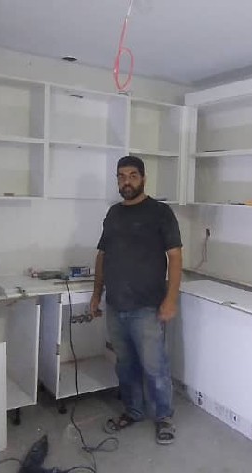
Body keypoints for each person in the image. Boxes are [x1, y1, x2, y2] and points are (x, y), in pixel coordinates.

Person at [90, 155, 182, 445]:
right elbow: (102, 255)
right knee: (125, 365)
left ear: (143, 178)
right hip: (116, 305)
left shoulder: (160, 212)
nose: (126, 181)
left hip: (147, 307)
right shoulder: (113, 214)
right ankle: (133, 411)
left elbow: (175, 257)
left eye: (132, 175)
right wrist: (96, 294)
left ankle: (164, 417)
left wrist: (170, 299)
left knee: (155, 367)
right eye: (121, 176)